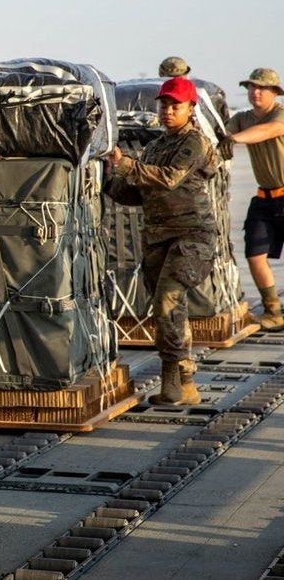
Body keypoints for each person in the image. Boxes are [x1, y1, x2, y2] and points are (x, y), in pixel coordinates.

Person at [105, 77, 219, 405]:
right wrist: (107, 178)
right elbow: (137, 194)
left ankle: (172, 376)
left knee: (167, 300)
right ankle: (185, 381)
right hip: (157, 238)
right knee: (167, 308)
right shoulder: (155, 146)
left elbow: (169, 179)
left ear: (190, 109)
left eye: (175, 106)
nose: (168, 111)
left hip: (192, 235)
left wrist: (126, 163)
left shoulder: (194, 142)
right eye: (164, 104)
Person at [219, 68, 284, 331]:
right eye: (251, 87)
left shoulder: (279, 114)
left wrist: (233, 140)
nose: (255, 92)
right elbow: (221, 133)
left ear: (274, 93)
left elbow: (268, 131)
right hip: (264, 197)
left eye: (261, 88)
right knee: (254, 254)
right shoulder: (242, 118)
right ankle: (273, 311)